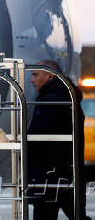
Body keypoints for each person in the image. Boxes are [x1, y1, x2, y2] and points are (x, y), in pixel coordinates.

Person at [28, 60, 90, 219]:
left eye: (35, 75)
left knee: (45, 214)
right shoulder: (65, 95)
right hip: (67, 171)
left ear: (49, 76)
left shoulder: (52, 99)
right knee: (76, 214)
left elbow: (37, 134)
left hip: (51, 174)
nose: (32, 80)